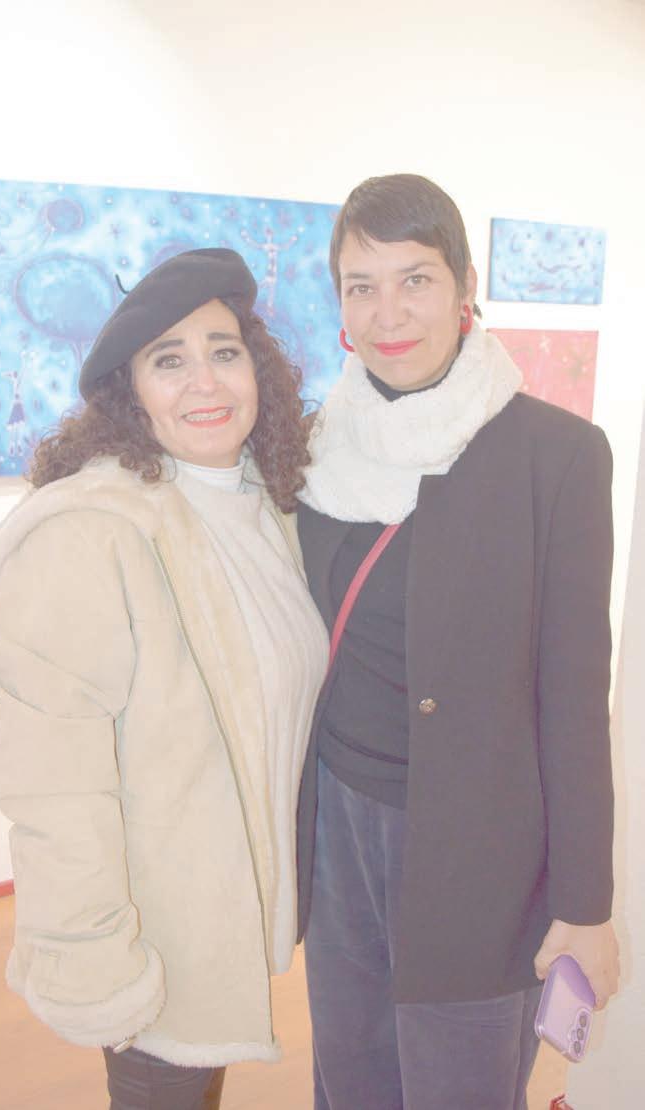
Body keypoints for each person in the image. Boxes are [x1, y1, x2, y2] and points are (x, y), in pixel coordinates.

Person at [0, 248, 328, 1110]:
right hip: (153, 937)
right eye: (169, 360)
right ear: (131, 393)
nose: (204, 381)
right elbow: (52, 783)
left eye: (224, 351)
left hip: (223, 913)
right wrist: (93, 958)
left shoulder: (265, 509)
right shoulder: (91, 532)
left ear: (258, 369)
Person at [295, 174, 619, 1110]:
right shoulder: (317, 449)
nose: (388, 314)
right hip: (340, 829)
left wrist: (585, 905)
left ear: (465, 285)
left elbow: (573, 700)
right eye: (361, 286)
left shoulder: (555, 455)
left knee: (460, 1084)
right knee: (351, 1077)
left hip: (480, 851)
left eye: (416, 280)